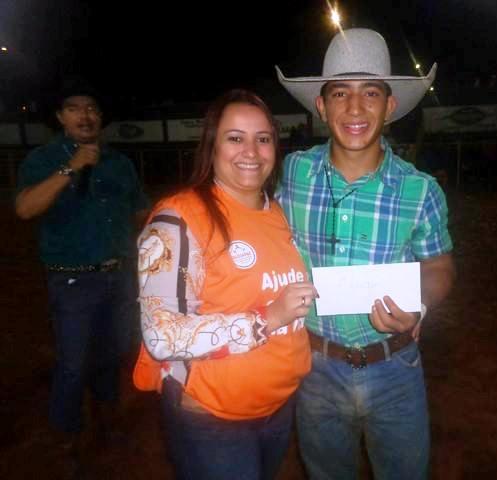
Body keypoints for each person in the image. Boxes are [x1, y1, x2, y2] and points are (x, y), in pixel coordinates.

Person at [276, 28, 456, 479]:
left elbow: (438, 264)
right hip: (315, 366)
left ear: (390, 106)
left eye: (370, 92)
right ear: (322, 106)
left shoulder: (420, 190)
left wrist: (419, 306)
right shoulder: (291, 174)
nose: (355, 108)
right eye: (340, 93)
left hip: (394, 366)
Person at [133, 89, 317, 480]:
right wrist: (265, 319)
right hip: (211, 418)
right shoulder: (178, 219)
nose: (251, 151)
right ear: (212, 146)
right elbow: (161, 335)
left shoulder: (280, 214)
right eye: (235, 138)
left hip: (279, 407)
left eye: (263, 138)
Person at [15, 83, 149, 457]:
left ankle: (107, 423)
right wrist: (69, 169)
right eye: (74, 108)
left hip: (120, 277)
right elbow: (25, 208)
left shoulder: (119, 163)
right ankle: (67, 436)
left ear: (101, 116)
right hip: (72, 279)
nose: (85, 115)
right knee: (73, 364)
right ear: (60, 117)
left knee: (113, 354)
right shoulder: (43, 159)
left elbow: (140, 211)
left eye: (91, 108)